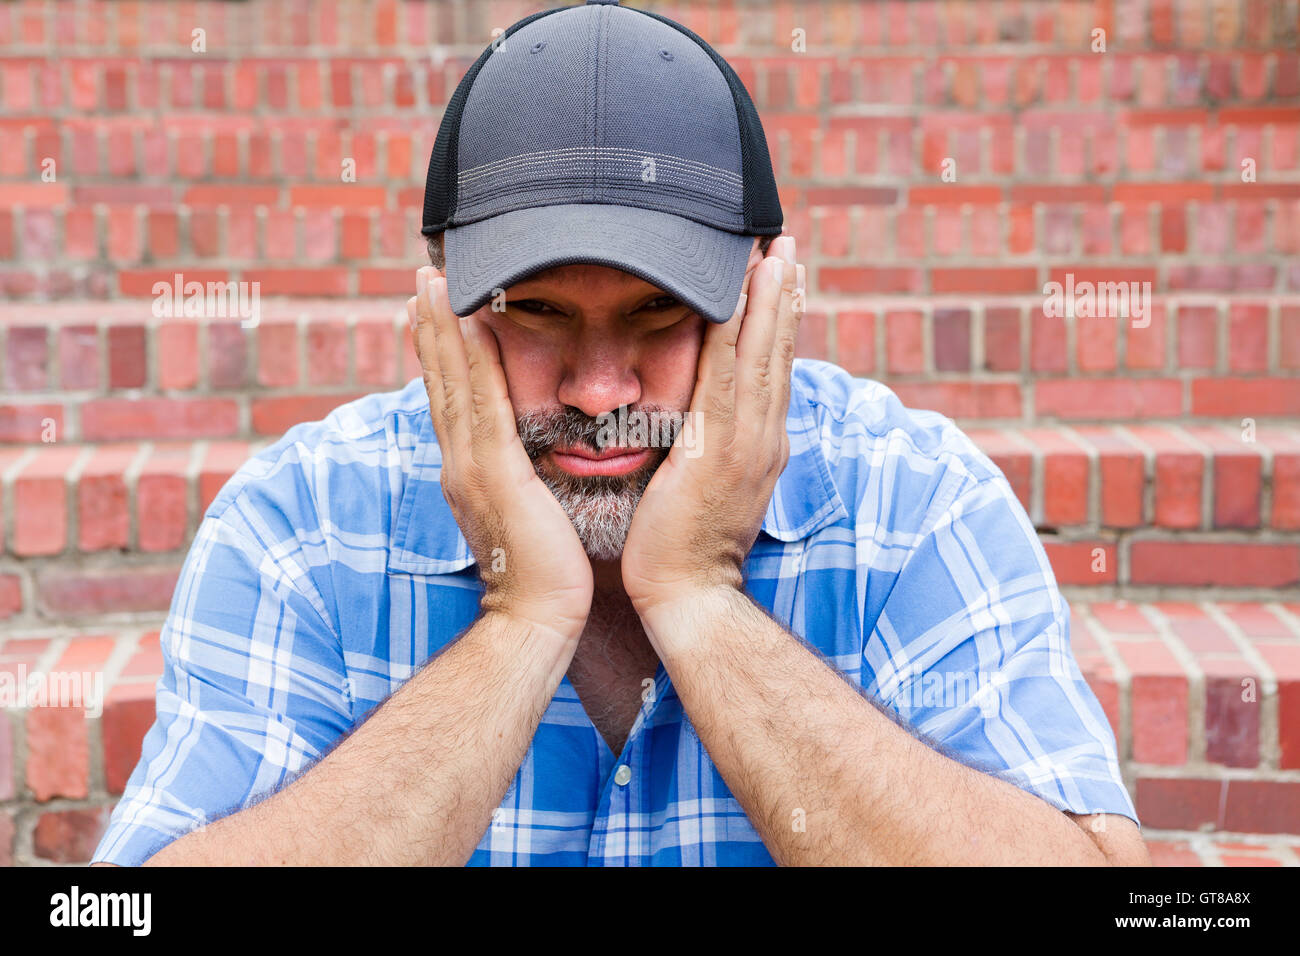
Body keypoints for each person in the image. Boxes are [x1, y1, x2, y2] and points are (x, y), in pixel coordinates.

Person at [93, 0, 1149, 866]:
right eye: (537, 313)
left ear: (760, 297)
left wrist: (698, 596)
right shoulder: (301, 527)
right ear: (447, 309)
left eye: (658, 313)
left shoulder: (912, 503)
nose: (599, 390)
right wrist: (521, 617)